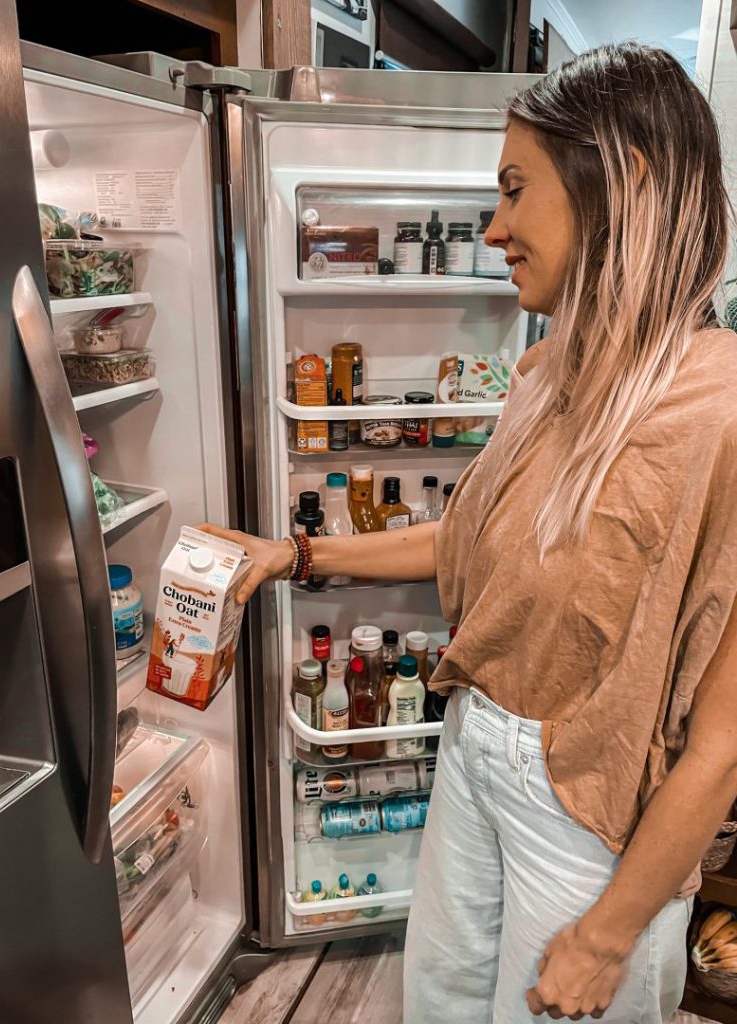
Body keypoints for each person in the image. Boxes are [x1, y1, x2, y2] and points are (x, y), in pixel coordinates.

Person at [202, 42, 737, 1023]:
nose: (495, 228)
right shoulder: (544, 376)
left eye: (515, 189)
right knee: (440, 1003)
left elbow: (725, 742)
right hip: (474, 739)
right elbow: (469, 548)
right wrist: (296, 553)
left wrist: (612, 930)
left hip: (594, 807)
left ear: (627, 181)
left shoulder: (723, 410)